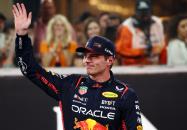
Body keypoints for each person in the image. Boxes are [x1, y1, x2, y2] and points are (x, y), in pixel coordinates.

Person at [12, 3, 142, 130]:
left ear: (109, 60)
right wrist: (22, 35)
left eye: (94, 56)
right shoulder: (70, 84)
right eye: (85, 56)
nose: (87, 60)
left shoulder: (125, 94)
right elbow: (30, 69)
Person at [116, 0, 165, 65]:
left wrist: (163, 64)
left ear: (151, 12)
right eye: (141, 13)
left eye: (146, 13)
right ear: (135, 12)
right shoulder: (127, 26)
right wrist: (142, 52)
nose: (144, 17)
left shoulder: (158, 23)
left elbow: (163, 46)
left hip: (156, 65)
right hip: (133, 68)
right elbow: (121, 50)